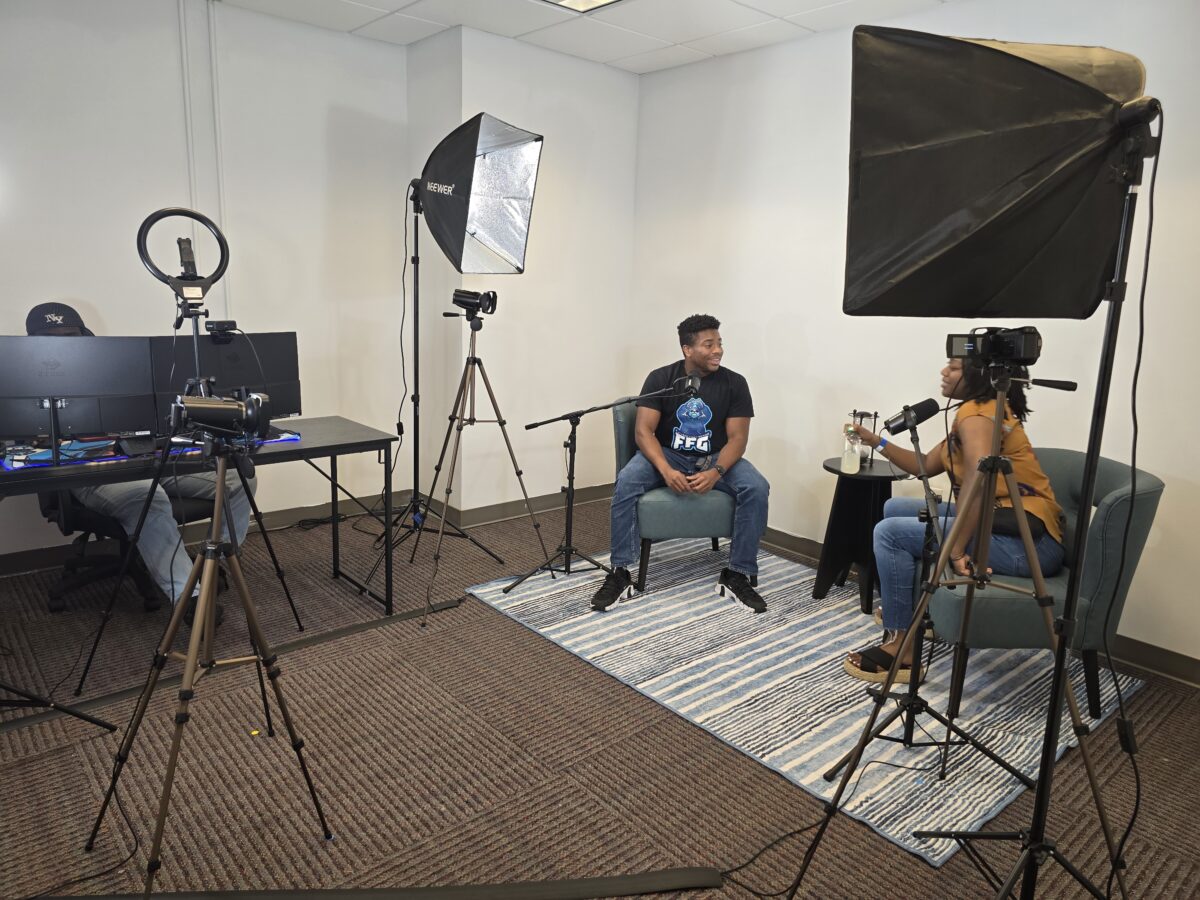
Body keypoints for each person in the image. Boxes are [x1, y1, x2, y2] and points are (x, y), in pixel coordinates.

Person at [26, 302, 256, 626]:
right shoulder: (24, 382)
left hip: (145, 457)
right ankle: (190, 601)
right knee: (148, 497)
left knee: (235, 478)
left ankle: (213, 566)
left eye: (71, 335)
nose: (64, 343)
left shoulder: (109, 370)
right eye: (52, 339)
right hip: (91, 473)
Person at [842, 355, 1066, 682]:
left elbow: (979, 478)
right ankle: (921, 615)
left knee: (889, 533)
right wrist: (876, 441)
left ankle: (902, 648)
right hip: (1006, 525)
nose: (944, 372)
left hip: (1027, 544)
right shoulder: (978, 411)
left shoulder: (976, 415)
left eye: (955, 367)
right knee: (895, 511)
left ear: (979, 374)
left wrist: (958, 550)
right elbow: (924, 466)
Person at [591, 314, 770, 613]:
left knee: (756, 487)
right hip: (668, 454)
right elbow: (643, 431)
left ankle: (736, 573)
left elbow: (738, 439)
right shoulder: (661, 379)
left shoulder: (735, 383)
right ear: (688, 349)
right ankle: (620, 572)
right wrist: (665, 469)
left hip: (715, 456)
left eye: (720, 343)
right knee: (627, 480)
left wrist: (716, 472)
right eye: (709, 344)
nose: (718, 351)